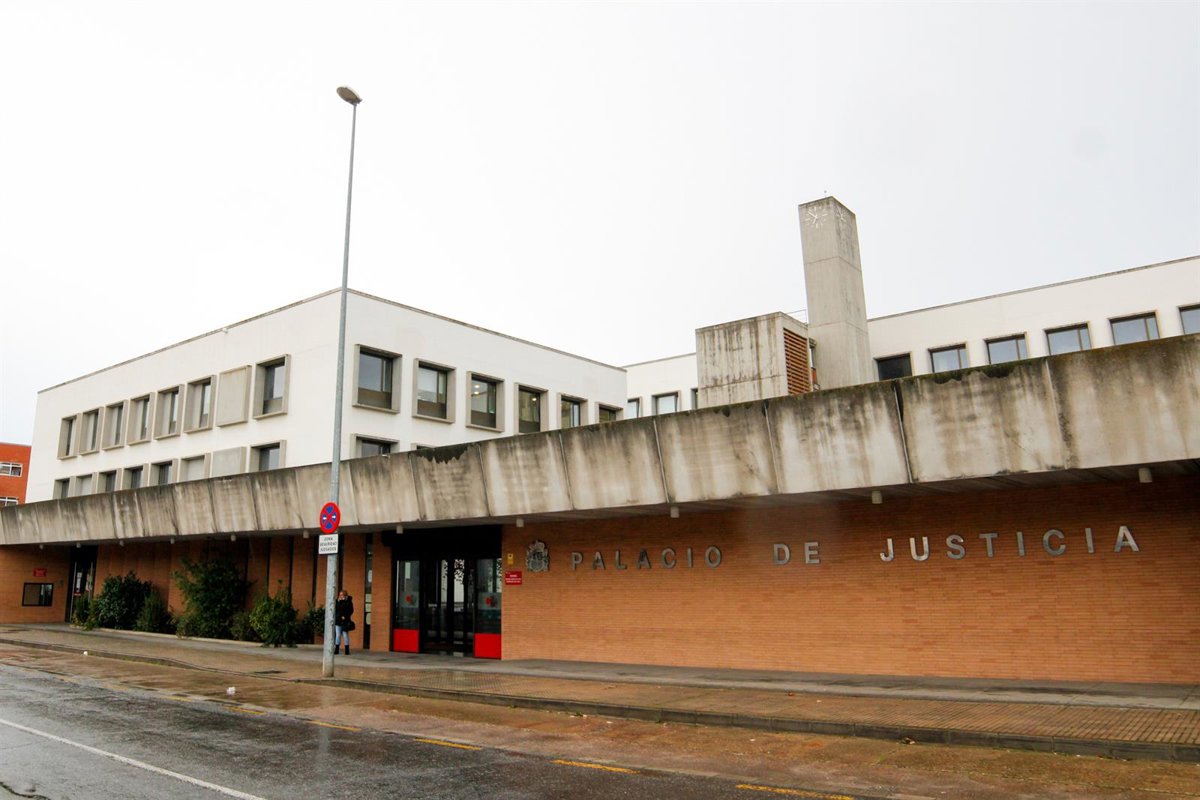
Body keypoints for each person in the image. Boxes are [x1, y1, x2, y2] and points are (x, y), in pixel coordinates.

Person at [334, 589, 354, 656]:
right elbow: (336, 609)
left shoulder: (348, 602)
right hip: (338, 620)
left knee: (345, 635)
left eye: (342, 595)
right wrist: (339, 602)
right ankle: (336, 649)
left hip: (345, 621)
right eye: (340, 595)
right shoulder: (337, 601)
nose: (340, 596)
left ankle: (347, 650)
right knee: (338, 635)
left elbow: (351, 610)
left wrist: (345, 616)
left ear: (345, 595)